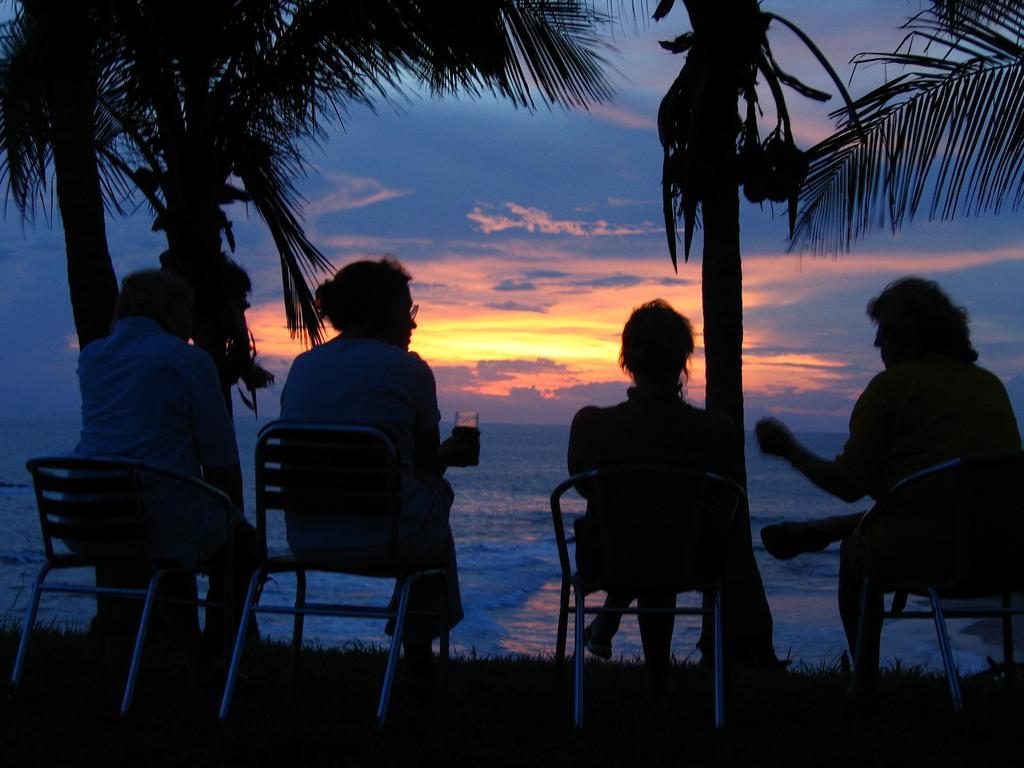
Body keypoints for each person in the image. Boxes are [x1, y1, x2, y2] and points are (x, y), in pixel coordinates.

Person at [755, 276, 1021, 707]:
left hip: (928, 553)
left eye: (884, 331)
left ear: (909, 334)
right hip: (1003, 551)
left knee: (856, 553)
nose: (877, 342)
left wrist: (788, 449)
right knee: (913, 507)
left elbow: (847, 485)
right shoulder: (989, 386)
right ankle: (828, 529)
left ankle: (864, 684)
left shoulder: (890, 389)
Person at [279, 256, 477, 697]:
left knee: (426, 499)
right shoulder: (408, 370)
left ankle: (416, 659)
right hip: (388, 538)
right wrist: (450, 455)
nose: (413, 325)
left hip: (307, 536)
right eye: (407, 312)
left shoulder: (304, 367)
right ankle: (418, 662)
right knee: (437, 501)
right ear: (379, 311)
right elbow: (425, 467)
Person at [75, 269, 252, 682]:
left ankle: (197, 658)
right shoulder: (187, 361)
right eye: (187, 311)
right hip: (149, 514)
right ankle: (214, 654)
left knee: (174, 541)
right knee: (242, 547)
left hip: (86, 516)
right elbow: (220, 458)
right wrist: (232, 514)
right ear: (171, 311)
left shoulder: (92, 358)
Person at [567, 300, 740, 696]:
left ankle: (616, 631)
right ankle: (657, 677)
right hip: (691, 558)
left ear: (627, 359)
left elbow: (581, 484)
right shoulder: (716, 430)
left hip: (607, 558)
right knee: (664, 536)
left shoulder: (592, 424)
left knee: (638, 534)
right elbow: (724, 492)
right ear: (683, 360)